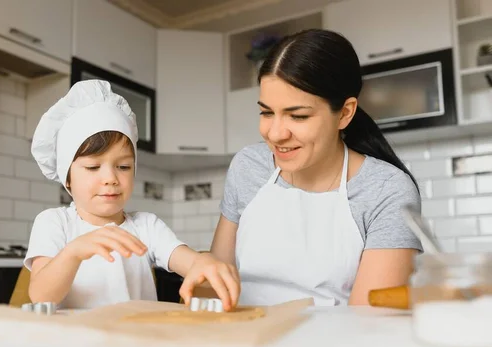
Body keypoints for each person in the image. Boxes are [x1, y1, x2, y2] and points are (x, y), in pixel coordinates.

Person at [193, 29, 423, 307]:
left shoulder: (387, 190)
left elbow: (368, 325)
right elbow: (215, 288)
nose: (275, 134)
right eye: (266, 112)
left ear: (345, 113)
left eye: (298, 116)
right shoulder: (248, 167)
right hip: (241, 343)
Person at [24, 79, 240, 310]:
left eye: (124, 167)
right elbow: (40, 295)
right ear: (67, 178)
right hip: (77, 343)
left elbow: (188, 261)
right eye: (93, 167)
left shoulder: (146, 226)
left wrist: (203, 262)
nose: (111, 178)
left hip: (137, 342)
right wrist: (73, 252)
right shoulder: (54, 223)